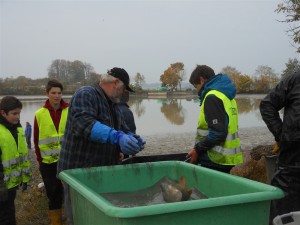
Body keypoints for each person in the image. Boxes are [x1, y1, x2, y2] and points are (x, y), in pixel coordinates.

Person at [57, 67, 145, 225]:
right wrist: (116, 137)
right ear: (115, 83)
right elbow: (83, 124)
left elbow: (123, 129)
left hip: (101, 172)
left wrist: (133, 138)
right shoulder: (86, 93)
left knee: (98, 218)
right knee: (79, 218)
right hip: (78, 173)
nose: (124, 93)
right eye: (124, 88)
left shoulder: (113, 104)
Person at [259, 71, 300, 225]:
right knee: (281, 215)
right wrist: (282, 136)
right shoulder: (295, 80)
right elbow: (267, 104)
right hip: (291, 166)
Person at [186, 65, 243, 173]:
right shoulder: (226, 95)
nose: (197, 91)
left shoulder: (212, 97)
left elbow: (218, 132)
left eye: (196, 86)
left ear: (202, 80)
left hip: (215, 159)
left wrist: (197, 149)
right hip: (229, 158)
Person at [33, 79, 69, 225]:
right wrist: (40, 161)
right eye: (53, 93)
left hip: (67, 161)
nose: (56, 96)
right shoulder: (39, 114)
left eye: (59, 93)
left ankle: (72, 220)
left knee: (69, 194)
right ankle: (57, 222)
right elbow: (35, 140)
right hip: (48, 164)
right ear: (47, 94)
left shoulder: (69, 110)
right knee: (53, 195)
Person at [0, 96, 31, 225]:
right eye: (14, 114)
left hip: (13, 184)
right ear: (3, 112)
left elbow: (22, 156)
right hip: (2, 186)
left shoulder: (17, 128)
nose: (18, 117)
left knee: (10, 215)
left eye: (19, 113)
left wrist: (25, 179)